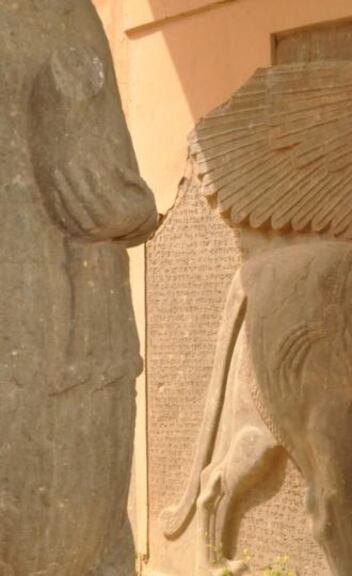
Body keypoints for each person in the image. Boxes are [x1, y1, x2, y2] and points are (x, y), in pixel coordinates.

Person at [0, 1, 157, 573]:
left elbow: (133, 194)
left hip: (89, 340)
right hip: (19, 339)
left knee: (91, 534)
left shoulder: (72, 14)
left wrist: (121, 211)